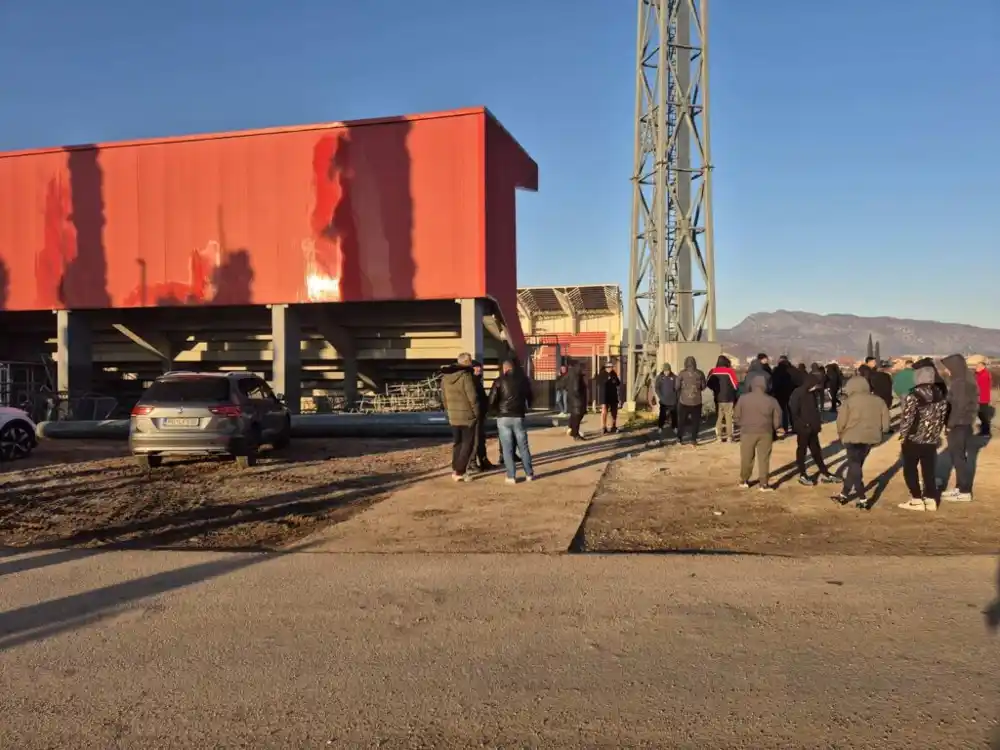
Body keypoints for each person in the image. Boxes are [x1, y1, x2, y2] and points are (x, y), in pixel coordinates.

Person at [833, 375, 890, 509]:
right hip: (870, 439)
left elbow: (840, 422)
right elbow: (886, 424)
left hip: (851, 437)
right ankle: (844, 494)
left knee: (855, 467)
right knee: (856, 467)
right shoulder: (879, 401)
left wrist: (841, 434)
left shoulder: (848, 402)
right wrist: (882, 431)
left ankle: (863, 498)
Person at [896, 366, 948, 512]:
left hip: (914, 438)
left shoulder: (913, 395)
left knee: (910, 469)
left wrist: (903, 435)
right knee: (929, 470)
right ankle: (931, 499)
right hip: (932, 439)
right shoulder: (940, 396)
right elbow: (942, 417)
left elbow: (908, 418)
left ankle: (916, 499)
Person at [488, 358, 535, 484]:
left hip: (503, 417)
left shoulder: (498, 381)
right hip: (518, 416)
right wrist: (526, 406)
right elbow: (530, 396)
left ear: (505, 369)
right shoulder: (523, 381)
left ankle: (511, 476)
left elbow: (492, 399)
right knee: (523, 446)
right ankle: (529, 474)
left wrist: (493, 411)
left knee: (507, 447)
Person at [733, 372, 782, 491]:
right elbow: (778, 416)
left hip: (747, 432)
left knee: (747, 457)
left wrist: (741, 425)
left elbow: (736, 416)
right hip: (765, 432)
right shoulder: (771, 400)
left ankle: (744, 480)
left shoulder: (743, 398)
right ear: (765, 386)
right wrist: (776, 427)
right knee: (764, 458)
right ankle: (763, 484)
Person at [941, 354, 980, 502]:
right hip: (962, 423)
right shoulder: (963, 381)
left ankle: (964, 490)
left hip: (959, 424)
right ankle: (959, 487)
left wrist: (950, 425)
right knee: (958, 456)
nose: (947, 371)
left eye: (949, 368)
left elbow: (959, 407)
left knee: (958, 457)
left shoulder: (961, 384)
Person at [788, 372, 838, 486]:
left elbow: (814, 411)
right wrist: (802, 424)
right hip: (803, 428)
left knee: (816, 451)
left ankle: (825, 472)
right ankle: (802, 474)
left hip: (813, 428)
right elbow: (794, 412)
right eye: (816, 385)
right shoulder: (798, 393)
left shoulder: (812, 394)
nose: (817, 387)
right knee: (802, 451)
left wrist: (816, 424)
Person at [440, 353, 480, 481]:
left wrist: (448, 410)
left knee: (457, 443)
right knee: (467, 444)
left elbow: (444, 398)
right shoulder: (466, 376)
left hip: (453, 415)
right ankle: (460, 472)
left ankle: (455, 468)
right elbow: (472, 398)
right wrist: (476, 413)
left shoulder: (445, 377)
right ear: (467, 362)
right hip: (467, 416)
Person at [466, 360, 494, 473]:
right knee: (475, 440)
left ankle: (483, 460)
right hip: (475, 415)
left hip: (481, 414)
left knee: (481, 439)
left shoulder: (477, 381)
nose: (479, 369)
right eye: (476, 368)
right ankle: (472, 463)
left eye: (480, 367)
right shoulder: (471, 381)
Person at [707, 355, 739, 443]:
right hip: (728, 398)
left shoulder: (712, 371)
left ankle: (719, 437)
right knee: (728, 417)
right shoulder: (729, 371)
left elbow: (708, 383)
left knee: (719, 417)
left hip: (718, 397)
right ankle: (729, 437)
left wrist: (715, 389)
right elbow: (735, 385)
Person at [676, 356, 707, 446]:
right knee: (695, 422)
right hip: (696, 401)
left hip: (684, 401)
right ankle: (693, 440)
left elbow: (677, 386)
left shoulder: (682, 374)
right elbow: (703, 386)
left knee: (682, 421)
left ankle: (679, 439)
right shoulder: (700, 373)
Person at [595, 362, 622, 434]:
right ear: (606, 367)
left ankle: (613, 426)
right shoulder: (601, 374)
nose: (610, 368)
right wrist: (607, 380)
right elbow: (598, 382)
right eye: (609, 367)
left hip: (613, 395)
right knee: (604, 411)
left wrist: (614, 379)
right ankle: (603, 427)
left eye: (611, 367)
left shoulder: (614, 374)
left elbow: (618, 383)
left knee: (614, 411)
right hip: (604, 395)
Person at [771, 357, 796, 436]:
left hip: (779, 393)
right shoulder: (790, 370)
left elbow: (774, 382)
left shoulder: (776, 371)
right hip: (789, 393)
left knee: (780, 411)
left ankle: (783, 427)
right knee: (790, 411)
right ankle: (793, 426)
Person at [565, 360, 588, 441]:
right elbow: (576, 388)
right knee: (577, 418)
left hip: (573, 400)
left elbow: (564, 383)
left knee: (575, 417)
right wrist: (579, 397)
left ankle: (572, 430)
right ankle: (575, 434)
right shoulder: (577, 376)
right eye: (584, 369)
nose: (586, 370)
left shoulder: (571, 373)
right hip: (577, 401)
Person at [652, 362, 678, 434]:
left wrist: (676, 396)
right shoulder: (660, 378)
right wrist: (660, 396)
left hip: (673, 400)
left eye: (668, 371)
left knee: (674, 415)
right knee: (662, 415)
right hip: (664, 400)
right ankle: (660, 427)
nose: (667, 372)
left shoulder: (674, 377)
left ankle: (674, 427)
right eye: (665, 371)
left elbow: (677, 388)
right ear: (663, 370)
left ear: (670, 370)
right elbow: (657, 388)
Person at [975, 361, 993, 437]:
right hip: (980, 398)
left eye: (978, 367)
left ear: (983, 367)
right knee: (980, 414)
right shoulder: (979, 374)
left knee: (983, 415)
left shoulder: (984, 375)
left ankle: (986, 432)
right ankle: (984, 431)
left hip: (983, 398)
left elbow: (979, 387)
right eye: (976, 366)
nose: (976, 368)